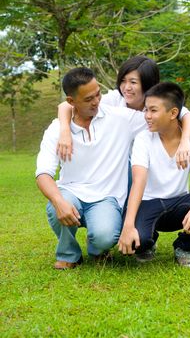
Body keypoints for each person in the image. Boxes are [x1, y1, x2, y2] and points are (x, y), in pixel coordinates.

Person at [36, 67, 148, 270]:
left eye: (98, 94)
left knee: (105, 236)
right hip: (72, 191)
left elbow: (162, 117)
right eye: (88, 99)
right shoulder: (56, 129)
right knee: (55, 207)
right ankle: (69, 254)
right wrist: (58, 200)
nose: (96, 101)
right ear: (71, 102)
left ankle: (97, 249)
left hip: (107, 196)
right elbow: (43, 173)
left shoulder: (121, 118)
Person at [118, 82, 190, 267]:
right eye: (146, 110)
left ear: (173, 113)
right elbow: (138, 181)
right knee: (136, 242)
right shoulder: (143, 139)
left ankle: (184, 247)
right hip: (148, 204)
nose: (147, 116)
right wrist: (128, 224)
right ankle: (149, 240)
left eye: (153, 111)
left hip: (177, 204)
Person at [57, 56, 190, 168]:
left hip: (150, 163)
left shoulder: (159, 102)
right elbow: (66, 106)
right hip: (118, 166)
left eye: (133, 82)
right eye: (123, 81)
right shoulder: (115, 99)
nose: (126, 88)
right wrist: (65, 132)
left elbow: (186, 116)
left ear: (148, 84)